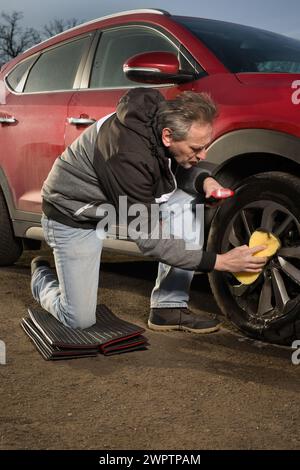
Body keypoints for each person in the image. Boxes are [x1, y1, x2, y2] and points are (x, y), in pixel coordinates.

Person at [31, 88, 267, 333]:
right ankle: (41, 279)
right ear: (167, 136)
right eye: (197, 149)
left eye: (204, 147)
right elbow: (150, 240)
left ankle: (168, 307)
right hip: (73, 217)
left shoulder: (159, 122)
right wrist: (220, 261)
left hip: (112, 205)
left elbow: (168, 165)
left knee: (189, 198)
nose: (203, 155)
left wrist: (204, 181)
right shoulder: (127, 155)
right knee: (78, 320)